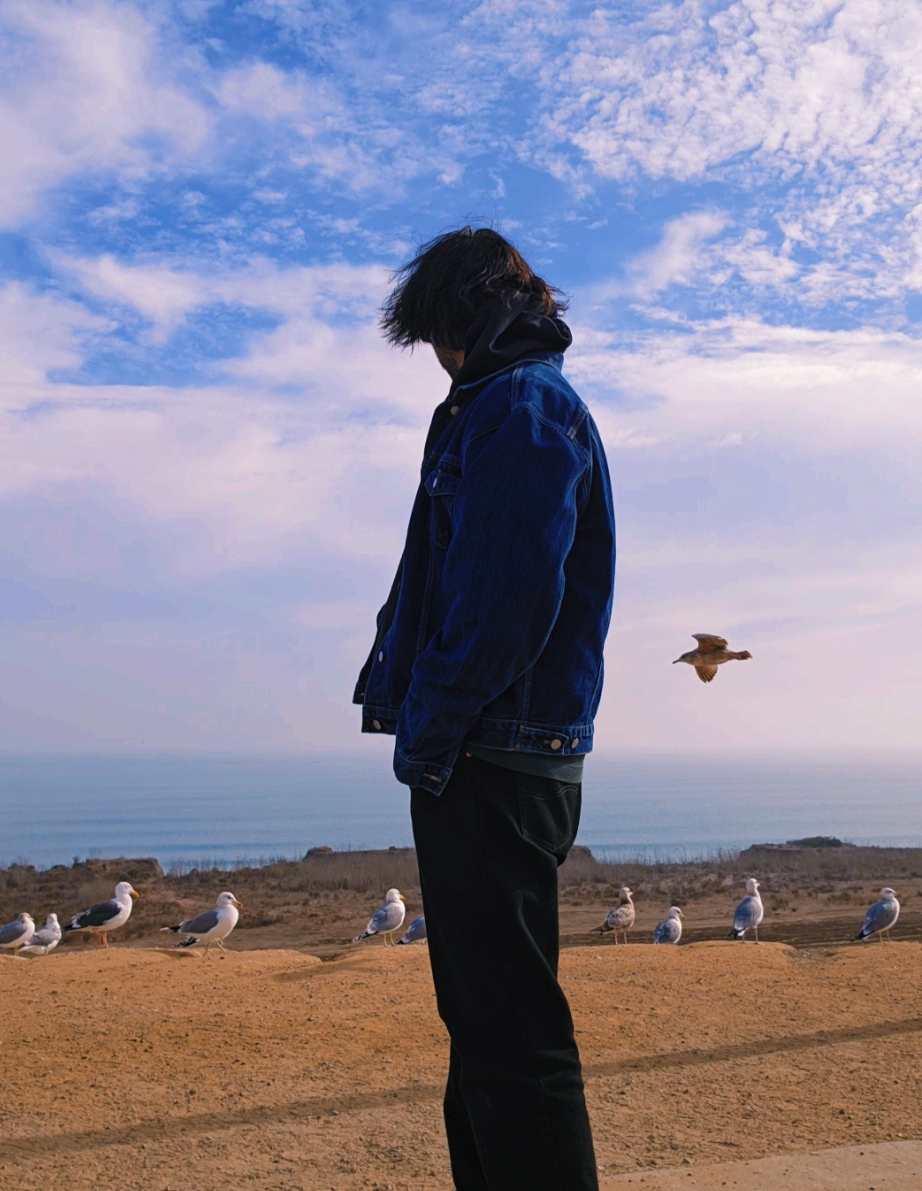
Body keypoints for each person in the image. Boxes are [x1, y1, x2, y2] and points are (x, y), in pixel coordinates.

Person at [354, 227, 615, 1191]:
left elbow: (505, 602)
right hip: (498, 749)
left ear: (464, 317)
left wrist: (430, 734)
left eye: (433, 333)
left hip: (492, 755)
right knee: (487, 1029)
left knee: (511, 1039)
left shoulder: (520, 409)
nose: (434, 356)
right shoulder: (506, 405)